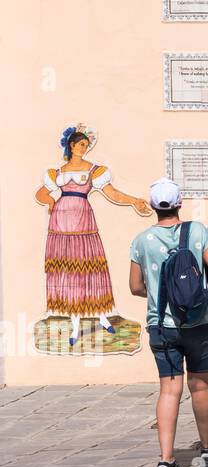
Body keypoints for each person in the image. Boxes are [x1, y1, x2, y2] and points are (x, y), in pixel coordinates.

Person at [128, 179, 208, 467]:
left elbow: (134, 287)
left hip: (161, 325)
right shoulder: (197, 231)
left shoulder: (141, 241)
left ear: (154, 207)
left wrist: (162, 295)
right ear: (180, 203)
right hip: (198, 322)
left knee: (169, 389)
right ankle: (207, 447)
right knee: (200, 383)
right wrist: (202, 293)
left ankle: (166, 460)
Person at [37, 124, 152, 347]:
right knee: (68, 270)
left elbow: (113, 194)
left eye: (86, 145)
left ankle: (100, 314)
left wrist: (135, 201)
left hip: (83, 222)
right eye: (81, 144)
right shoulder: (57, 172)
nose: (84, 148)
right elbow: (41, 193)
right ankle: (74, 319)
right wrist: (51, 201)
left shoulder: (94, 170)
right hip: (60, 224)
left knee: (89, 268)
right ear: (72, 145)